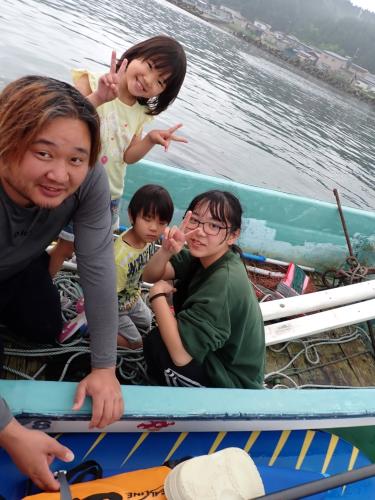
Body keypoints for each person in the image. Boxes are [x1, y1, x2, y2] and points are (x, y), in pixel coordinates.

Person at [0, 75, 123, 490]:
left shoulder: (87, 182)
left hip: (17, 268)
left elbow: (98, 268)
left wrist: (105, 366)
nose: (59, 174)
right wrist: (10, 432)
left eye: (76, 158)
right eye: (43, 152)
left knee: (44, 328)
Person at [49, 35, 187, 275]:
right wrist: (100, 97)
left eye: (160, 82)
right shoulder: (93, 82)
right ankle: (34, 277)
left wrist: (150, 140)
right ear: (135, 55)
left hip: (107, 193)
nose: (149, 80)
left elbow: (128, 157)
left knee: (75, 248)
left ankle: (53, 283)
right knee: (49, 236)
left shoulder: (140, 113)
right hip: (71, 182)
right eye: (150, 66)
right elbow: (65, 122)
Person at [142, 190, 265, 389]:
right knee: (161, 337)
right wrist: (166, 250)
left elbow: (180, 355)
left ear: (233, 236)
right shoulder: (204, 256)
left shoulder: (224, 281)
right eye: (195, 220)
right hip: (216, 356)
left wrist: (157, 296)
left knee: (157, 346)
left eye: (214, 226)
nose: (200, 231)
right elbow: (150, 274)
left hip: (232, 383)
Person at [115, 184, 174, 349]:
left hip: (132, 299)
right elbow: (105, 296)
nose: (154, 228)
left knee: (148, 322)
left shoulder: (148, 239)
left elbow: (148, 272)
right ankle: (94, 332)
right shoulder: (120, 258)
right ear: (132, 216)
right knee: (137, 344)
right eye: (147, 219)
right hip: (114, 308)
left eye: (161, 222)